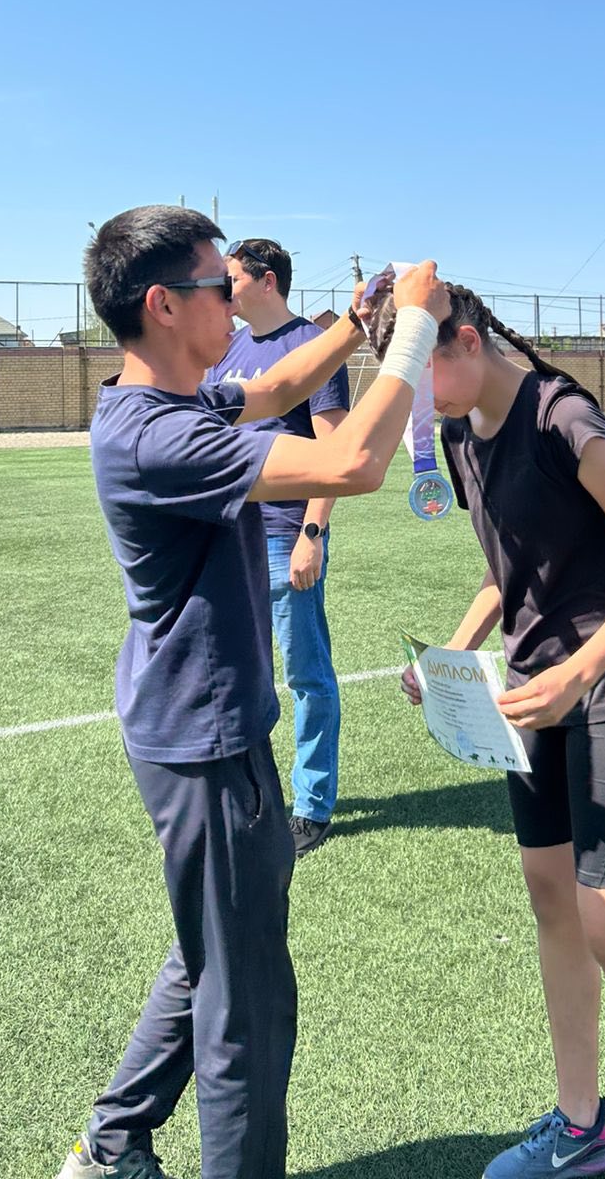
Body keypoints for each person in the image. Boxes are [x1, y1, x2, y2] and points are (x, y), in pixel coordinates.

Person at [59, 206, 449, 1179]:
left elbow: (275, 387)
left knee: (212, 953)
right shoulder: (158, 436)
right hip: (203, 741)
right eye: (216, 286)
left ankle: (112, 1139)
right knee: (248, 1010)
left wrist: (353, 328)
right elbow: (352, 462)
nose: (233, 303)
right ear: (163, 304)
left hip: (205, 726)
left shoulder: (177, 399)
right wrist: (414, 327)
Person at [366, 282, 605, 1179]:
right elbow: (507, 569)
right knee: (552, 903)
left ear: (467, 341)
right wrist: (452, 654)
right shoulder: (457, 435)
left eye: (418, 370)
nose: (412, 400)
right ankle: (581, 1126)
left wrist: (577, 672)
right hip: (528, 697)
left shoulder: (565, 419)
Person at [207, 238, 349, 857]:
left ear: (267, 282)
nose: (223, 288)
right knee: (238, 672)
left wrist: (312, 534)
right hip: (227, 539)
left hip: (285, 537)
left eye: (232, 278)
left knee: (306, 676)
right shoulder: (227, 349)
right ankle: (253, 794)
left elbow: (334, 453)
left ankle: (313, 805)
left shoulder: (312, 347)